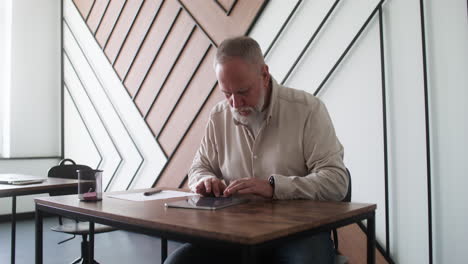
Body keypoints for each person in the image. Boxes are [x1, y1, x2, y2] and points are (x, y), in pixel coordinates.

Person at [164, 36, 348, 264]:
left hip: (299, 232)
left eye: (243, 91)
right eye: (226, 93)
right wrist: (205, 180)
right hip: (235, 232)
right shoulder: (219, 116)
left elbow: (337, 181)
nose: (235, 104)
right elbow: (199, 168)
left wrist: (274, 187)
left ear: (264, 74)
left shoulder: (308, 110)